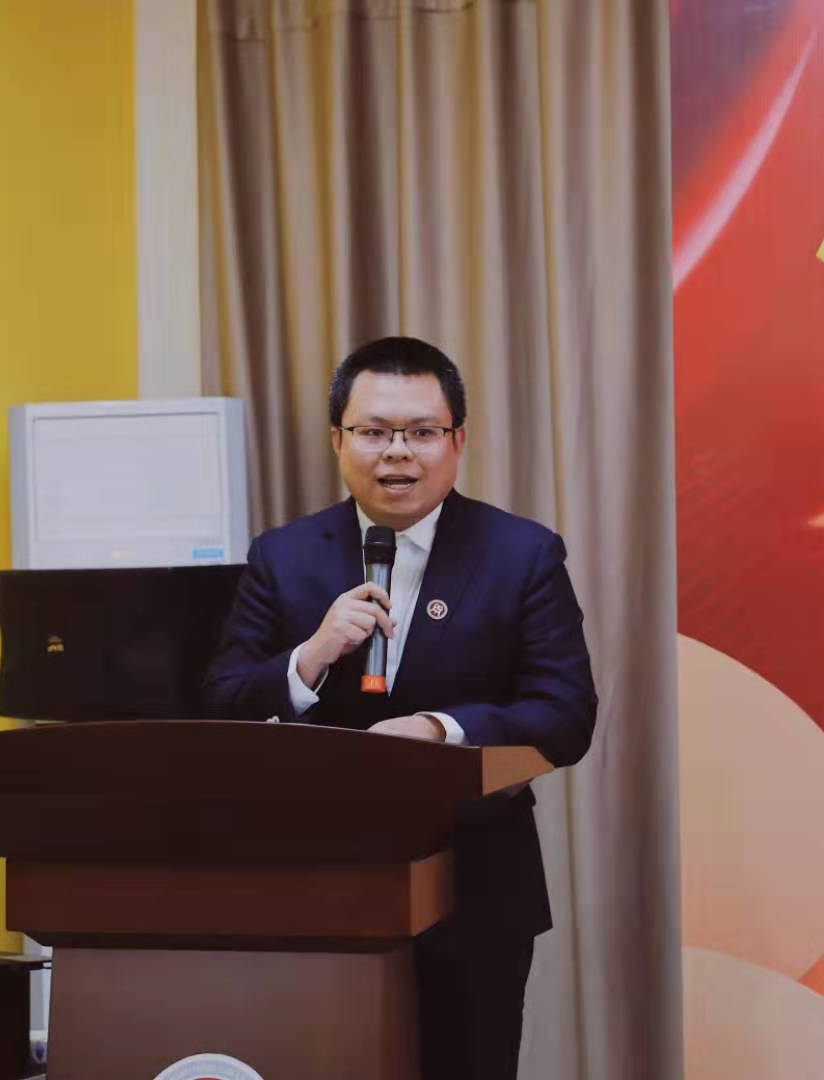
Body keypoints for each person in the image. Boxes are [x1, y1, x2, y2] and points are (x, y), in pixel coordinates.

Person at [203, 335, 597, 1080]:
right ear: (337, 440)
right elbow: (222, 701)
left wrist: (440, 730)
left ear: (458, 441)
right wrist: (309, 656)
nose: (397, 454)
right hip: (313, 885)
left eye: (422, 432)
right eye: (374, 432)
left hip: (474, 886)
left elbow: (566, 713)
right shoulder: (283, 556)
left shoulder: (522, 554)